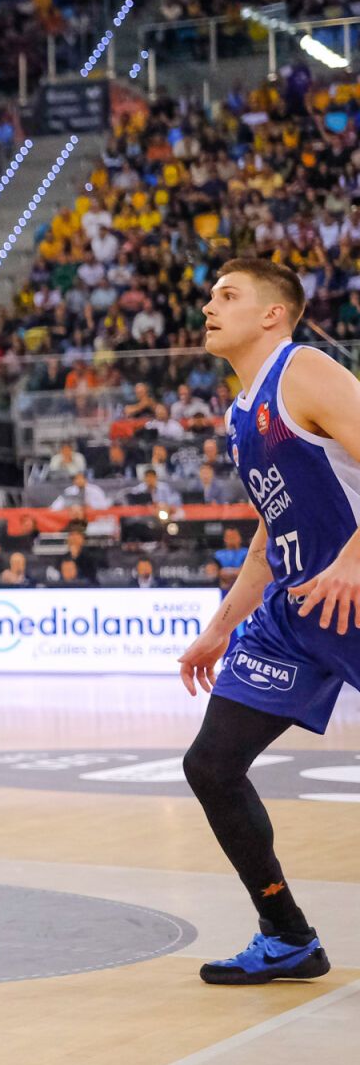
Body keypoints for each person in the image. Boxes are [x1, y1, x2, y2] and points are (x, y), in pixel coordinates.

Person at [177, 257, 360, 985]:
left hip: (352, 590)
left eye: (229, 295)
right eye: (211, 295)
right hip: (297, 610)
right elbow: (268, 527)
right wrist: (222, 624)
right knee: (212, 766)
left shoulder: (304, 370)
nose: (210, 306)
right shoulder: (240, 410)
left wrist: (354, 555)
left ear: (273, 314)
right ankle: (287, 935)